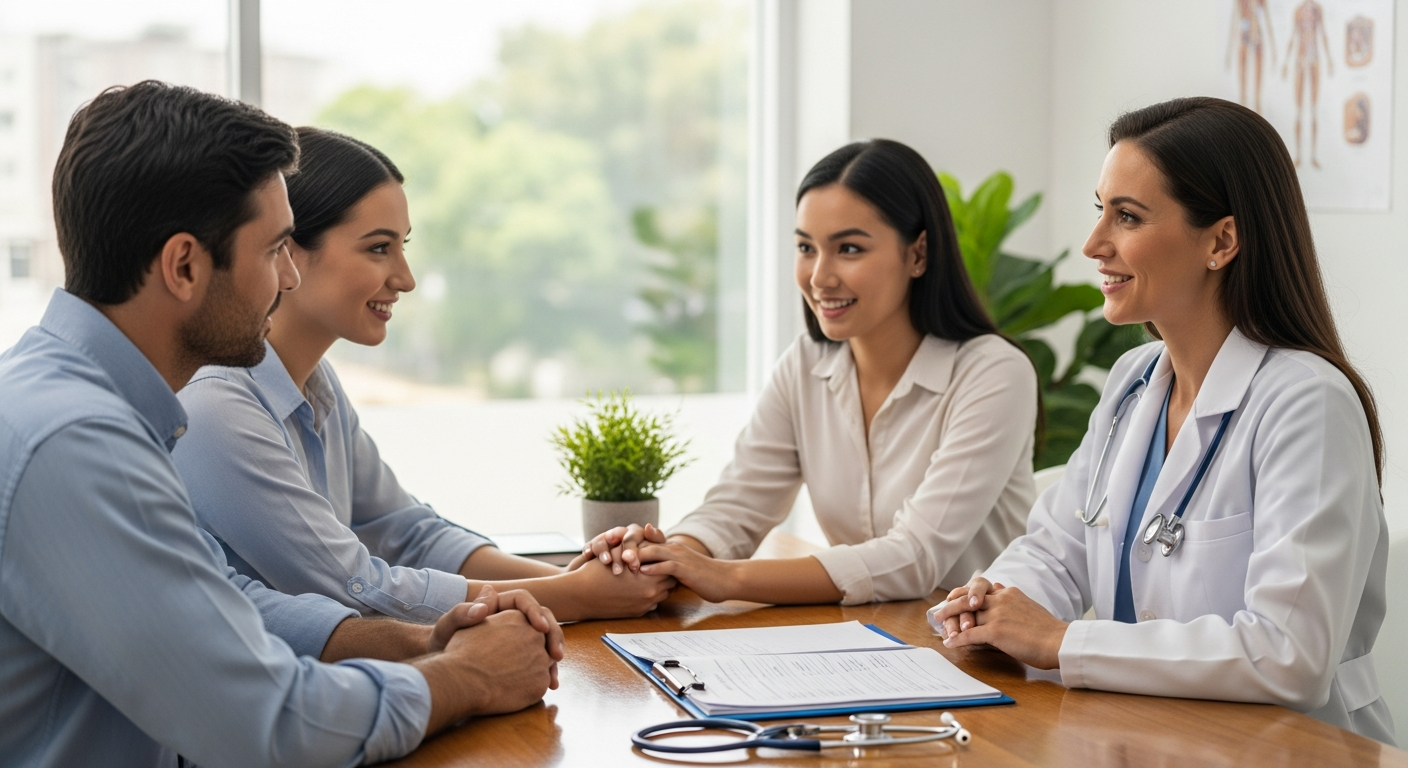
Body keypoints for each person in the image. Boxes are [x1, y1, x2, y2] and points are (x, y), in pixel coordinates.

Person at [0, 81, 562, 767]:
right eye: (273, 253)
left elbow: (222, 605)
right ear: (184, 266)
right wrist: (468, 677)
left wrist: (427, 640)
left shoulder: (85, 406)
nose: (287, 282)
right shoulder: (75, 442)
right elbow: (266, 724)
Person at [930, 97, 1395, 745]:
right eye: (1102, 211)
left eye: (1127, 217)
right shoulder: (1135, 381)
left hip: (1287, 749)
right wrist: (994, 604)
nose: (1095, 245)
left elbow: (1290, 656)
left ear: (1222, 241)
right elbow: (1055, 553)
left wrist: (1062, 641)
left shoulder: (1307, 402)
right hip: (1146, 733)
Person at [172, 127, 674, 623]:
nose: (405, 278)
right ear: (288, 250)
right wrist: (577, 596)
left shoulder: (317, 384)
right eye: (378, 248)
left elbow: (408, 532)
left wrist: (577, 578)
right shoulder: (218, 404)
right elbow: (355, 587)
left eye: (402, 246)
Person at [580, 139, 1039, 605]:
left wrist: (727, 578)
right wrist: (666, 556)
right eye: (806, 247)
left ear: (917, 254)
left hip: (988, 659)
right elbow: (737, 506)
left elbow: (915, 557)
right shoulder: (806, 363)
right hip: (876, 641)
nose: (819, 276)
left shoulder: (994, 374)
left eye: (849, 249)